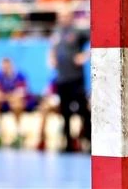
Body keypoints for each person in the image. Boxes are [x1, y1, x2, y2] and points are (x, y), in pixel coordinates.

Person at [50, 10, 91, 152]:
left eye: (65, 15)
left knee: (82, 110)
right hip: (62, 78)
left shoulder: (78, 32)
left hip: (75, 78)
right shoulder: (57, 33)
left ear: (71, 17)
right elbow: (53, 48)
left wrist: (85, 55)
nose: (63, 18)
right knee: (65, 112)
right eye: (61, 16)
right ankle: (68, 143)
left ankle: (89, 141)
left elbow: (95, 38)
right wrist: (51, 57)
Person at [0, 57, 34, 147]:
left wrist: (6, 97)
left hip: (14, 103)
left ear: (11, 65)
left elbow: (20, 94)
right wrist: (7, 97)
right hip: (3, 102)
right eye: (3, 66)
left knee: (17, 104)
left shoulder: (19, 76)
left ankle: (18, 131)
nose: (5, 67)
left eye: (7, 65)